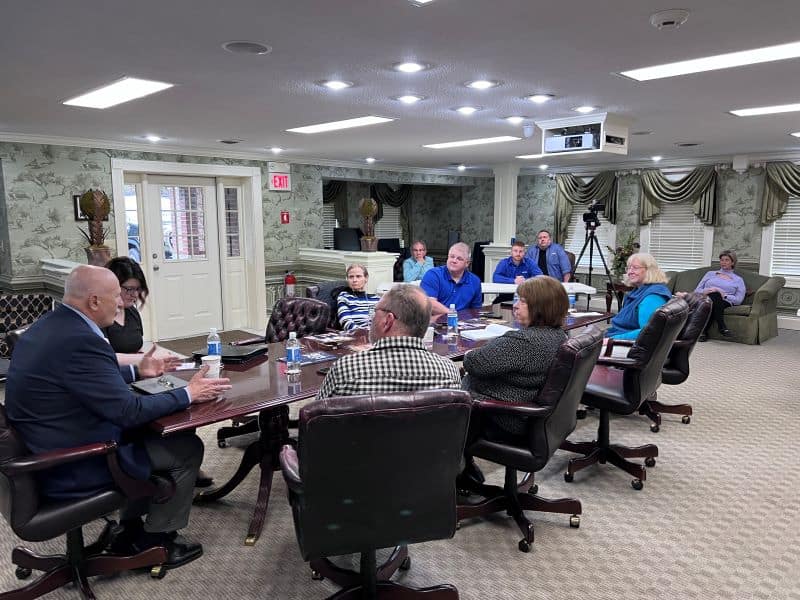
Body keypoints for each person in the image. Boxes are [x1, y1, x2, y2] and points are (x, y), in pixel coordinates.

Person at [5, 265, 231, 571]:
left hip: (42, 446)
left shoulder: (50, 326)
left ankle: (130, 529)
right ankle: (157, 540)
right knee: (185, 447)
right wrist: (189, 393)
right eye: (116, 297)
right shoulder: (83, 339)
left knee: (157, 435)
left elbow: (81, 377)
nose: (123, 303)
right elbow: (127, 412)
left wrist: (138, 370)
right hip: (68, 464)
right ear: (94, 301)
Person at [462, 276, 569, 438]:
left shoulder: (524, 342)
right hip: (526, 410)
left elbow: (475, 363)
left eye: (523, 302)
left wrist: (469, 354)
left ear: (541, 307)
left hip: (503, 417)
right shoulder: (559, 335)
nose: (515, 306)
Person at [317, 285, 461, 400]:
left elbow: (316, 424)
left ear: (388, 321)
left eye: (375, 312)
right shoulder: (449, 372)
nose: (371, 319)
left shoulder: (346, 370)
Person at [604, 253, 672, 340]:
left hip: (624, 344)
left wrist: (611, 339)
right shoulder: (638, 290)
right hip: (617, 334)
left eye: (635, 268)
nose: (630, 272)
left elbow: (647, 332)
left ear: (649, 270)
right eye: (628, 268)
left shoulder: (653, 297)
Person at [686, 249, 745, 341]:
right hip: (706, 298)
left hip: (725, 301)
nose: (723, 262)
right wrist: (706, 291)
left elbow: (738, 300)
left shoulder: (738, 280)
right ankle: (721, 327)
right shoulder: (710, 274)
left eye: (727, 260)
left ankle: (703, 332)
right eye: (722, 260)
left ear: (733, 262)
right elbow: (697, 290)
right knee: (714, 295)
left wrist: (723, 294)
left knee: (716, 296)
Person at [420, 242, 483, 316]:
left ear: (467, 263)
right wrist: (453, 314)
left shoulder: (475, 281)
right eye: (452, 257)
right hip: (436, 323)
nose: (454, 261)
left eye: (459, 259)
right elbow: (430, 304)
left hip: (463, 324)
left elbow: (476, 310)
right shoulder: (433, 275)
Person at [337, 264, 380, 331]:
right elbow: (345, 322)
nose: (354, 280)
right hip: (356, 335)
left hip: (376, 334)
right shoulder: (344, 297)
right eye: (351, 277)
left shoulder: (376, 299)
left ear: (366, 278)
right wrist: (362, 332)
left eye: (358, 276)